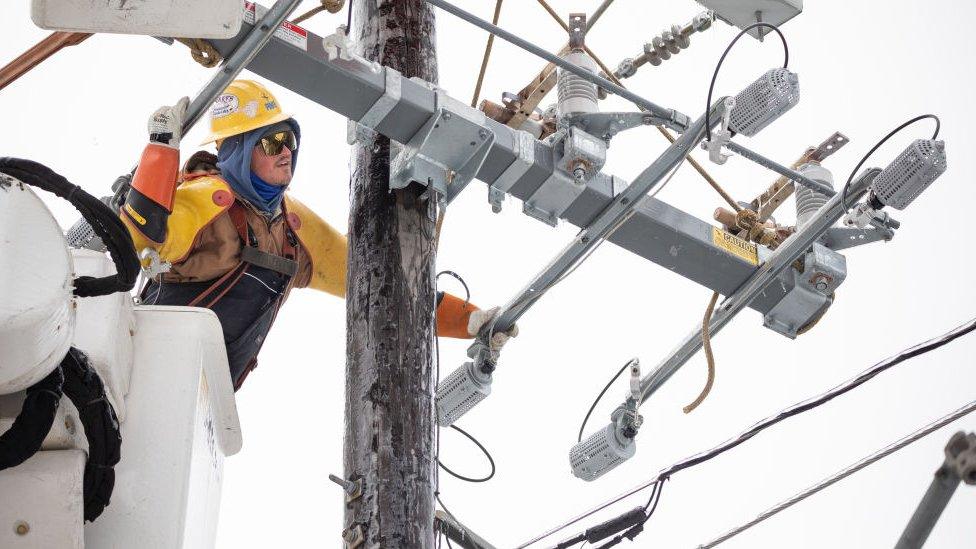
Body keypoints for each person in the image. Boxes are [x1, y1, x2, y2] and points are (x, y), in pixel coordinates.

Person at [119, 80, 514, 390]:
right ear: (238, 149)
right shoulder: (206, 198)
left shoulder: (292, 225)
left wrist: (470, 321)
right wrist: (160, 152)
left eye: (289, 140)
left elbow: (374, 282)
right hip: (143, 368)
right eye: (271, 142)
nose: (286, 151)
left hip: (204, 390)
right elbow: (141, 240)